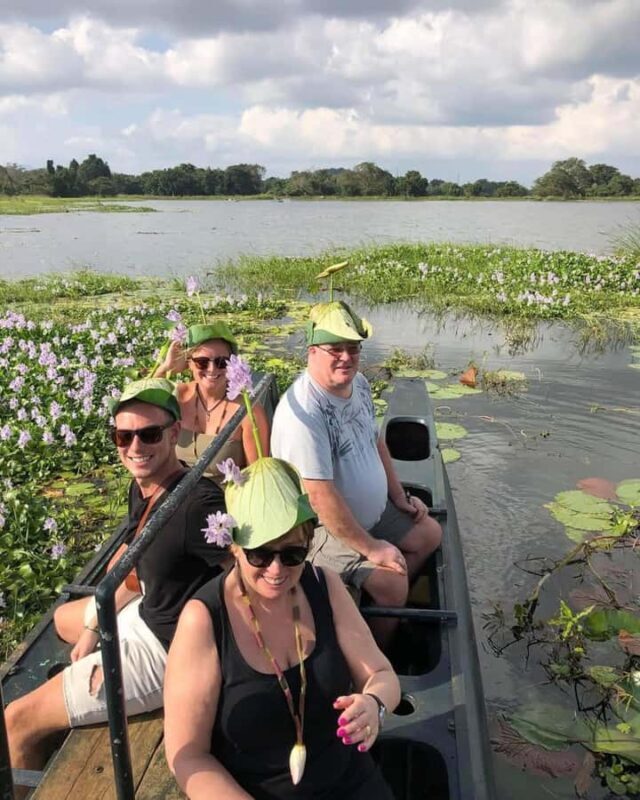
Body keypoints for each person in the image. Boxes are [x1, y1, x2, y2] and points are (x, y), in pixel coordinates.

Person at [5, 378, 229, 786]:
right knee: (64, 622)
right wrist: (95, 628)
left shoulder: (199, 504)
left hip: (168, 652)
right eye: (123, 436)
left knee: (16, 719)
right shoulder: (144, 486)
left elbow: (249, 572)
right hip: (147, 609)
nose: (135, 447)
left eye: (149, 434)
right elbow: (133, 568)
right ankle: (75, 691)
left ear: (175, 433)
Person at [164, 455, 399, 800]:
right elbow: (187, 755)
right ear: (234, 546)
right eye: (260, 554)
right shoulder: (204, 620)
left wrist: (373, 703)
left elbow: (382, 673)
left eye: (292, 554)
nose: (276, 570)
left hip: (350, 781)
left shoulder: (324, 586)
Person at [271, 301, 442, 644]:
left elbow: (375, 440)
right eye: (336, 349)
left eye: (353, 349)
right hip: (323, 529)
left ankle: (382, 614)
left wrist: (398, 496)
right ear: (312, 351)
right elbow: (319, 497)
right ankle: (379, 654)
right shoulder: (303, 413)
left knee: (429, 534)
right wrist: (372, 548)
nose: (346, 358)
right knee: (393, 582)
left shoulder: (359, 384)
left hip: (373, 513)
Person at [154, 322, 270, 482]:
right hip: (178, 497)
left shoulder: (249, 411)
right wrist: (165, 367)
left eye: (221, 362)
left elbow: (257, 476)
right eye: (202, 362)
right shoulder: (177, 396)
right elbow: (143, 410)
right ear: (189, 363)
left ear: (232, 365)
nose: (212, 369)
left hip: (224, 501)